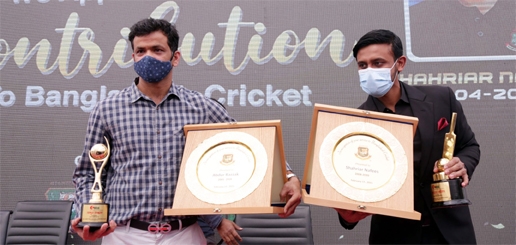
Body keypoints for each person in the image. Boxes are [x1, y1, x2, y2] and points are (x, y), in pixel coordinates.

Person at [71, 17, 301, 245]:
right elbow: (87, 173)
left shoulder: (201, 107)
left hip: (184, 234)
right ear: (133, 57)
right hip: (124, 235)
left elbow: (249, 144)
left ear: (175, 57)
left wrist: (288, 177)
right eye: (140, 51)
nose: (148, 57)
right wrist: (87, 219)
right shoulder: (107, 110)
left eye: (157, 49)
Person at [335, 29, 480, 244]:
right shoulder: (354, 125)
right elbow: (350, 184)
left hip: (450, 232)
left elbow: (469, 146)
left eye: (378, 63)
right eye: (362, 65)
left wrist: (464, 164)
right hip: (393, 235)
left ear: (400, 63)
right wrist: (346, 215)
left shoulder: (440, 98)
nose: (369, 71)